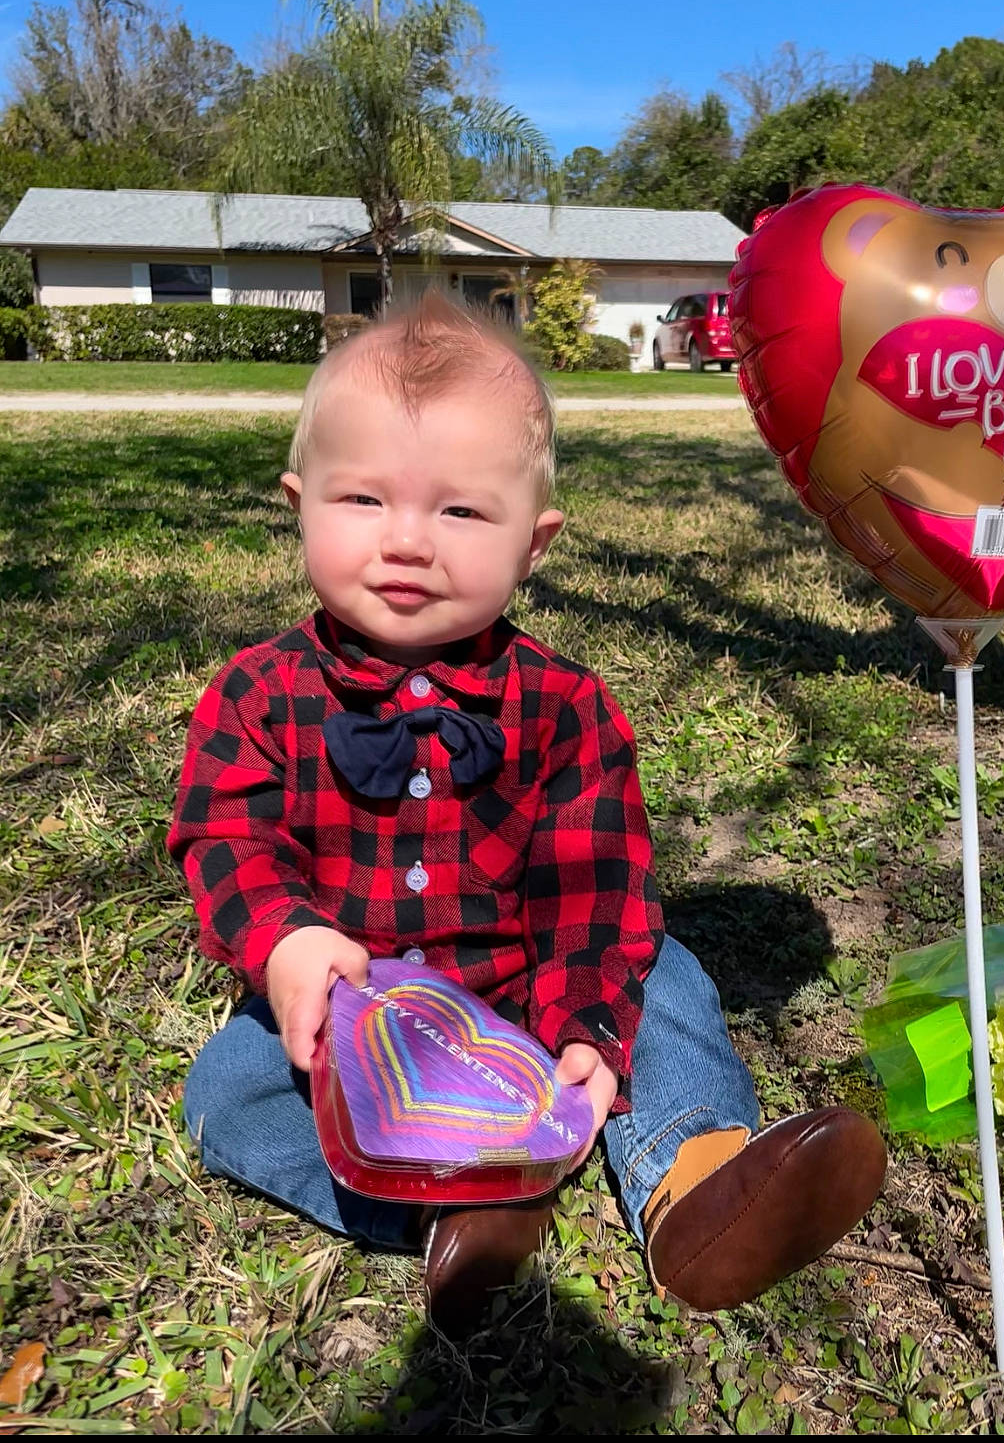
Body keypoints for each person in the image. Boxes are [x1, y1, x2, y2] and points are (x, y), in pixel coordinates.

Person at [171, 293, 886, 1336]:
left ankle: (695, 1178)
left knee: (664, 978)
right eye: (363, 500)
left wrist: (588, 1025)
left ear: (534, 543)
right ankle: (450, 1208)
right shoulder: (256, 693)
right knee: (226, 1088)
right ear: (300, 504)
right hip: (361, 1023)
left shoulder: (567, 707)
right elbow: (224, 837)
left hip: (529, 986)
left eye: (461, 511)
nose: (408, 541)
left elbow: (595, 893)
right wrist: (283, 944)